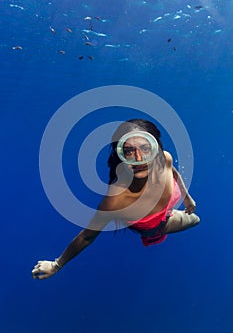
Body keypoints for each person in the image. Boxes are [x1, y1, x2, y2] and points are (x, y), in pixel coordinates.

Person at [32, 119, 200, 280]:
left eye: (145, 148)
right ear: (120, 155)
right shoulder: (116, 199)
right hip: (156, 225)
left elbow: (172, 172)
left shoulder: (165, 158)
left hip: (168, 205)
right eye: (128, 151)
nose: (139, 158)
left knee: (195, 216)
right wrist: (56, 265)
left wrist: (187, 198)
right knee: (195, 220)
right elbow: (86, 236)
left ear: (156, 149)